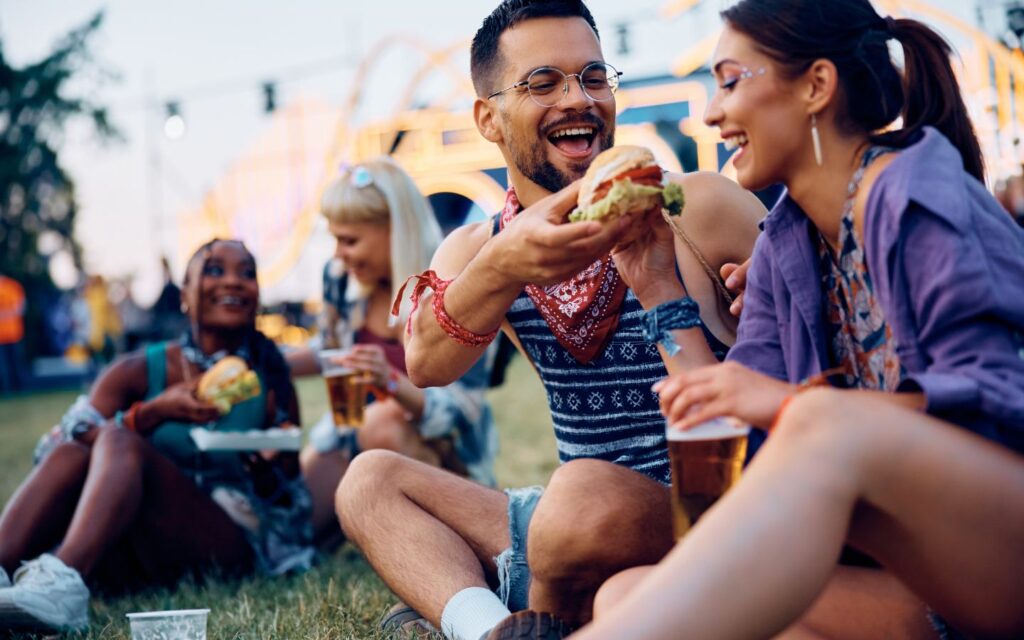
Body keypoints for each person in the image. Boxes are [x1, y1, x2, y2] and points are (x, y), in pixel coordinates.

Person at [572, 1, 1024, 638]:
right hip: (905, 580)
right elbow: (726, 424)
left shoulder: (915, 198)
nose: (710, 112)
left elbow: (1000, 410)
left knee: (815, 421)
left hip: (992, 555)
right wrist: (654, 283)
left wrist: (788, 405)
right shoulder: (789, 241)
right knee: (625, 596)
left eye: (730, 81)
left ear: (816, 86)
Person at [336, 1, 766, 638]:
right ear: (488, 117)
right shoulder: (479, 249)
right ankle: (492, 628)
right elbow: (426, 364)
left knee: (579, 495)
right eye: (544, 83)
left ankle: (523, 599)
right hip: (567, 521)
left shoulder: (695, 204)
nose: (579, 99)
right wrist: (504, 263)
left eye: (594, 78)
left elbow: (822, 308)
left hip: (699, 510)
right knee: (368, 481)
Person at [0, 239, 312, 633]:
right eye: (215, 270)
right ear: (184, 296)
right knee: (95, 444)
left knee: (118, 438)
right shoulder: (137, 369)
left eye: (247, 273)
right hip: (130, 546)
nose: (233, 281)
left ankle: (62, 580)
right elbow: (57, 446)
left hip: (221, 545)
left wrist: (271, 480)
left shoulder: (272, 380)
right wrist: (154, 412)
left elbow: (293, 512)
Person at [286, 158, 499, 546]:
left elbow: (462, 414)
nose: (339, 255)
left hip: (445, 455)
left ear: (395, 231)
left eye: (349, 241)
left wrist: (391, 382)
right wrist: (271, 365)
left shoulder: (455, 285)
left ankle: (443, 537)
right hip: (348, 437)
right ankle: (365, 518)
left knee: (381, 419)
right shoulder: (339, 280)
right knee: (289, 527)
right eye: (335, 239)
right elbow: (331, 351)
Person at [0, 273, 27, 393]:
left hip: (13, 333)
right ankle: (6, 389)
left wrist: (5, 314)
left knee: (16, 362)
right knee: (3, 365)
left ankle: (19, 388)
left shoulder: (12, 286)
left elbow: (20, 307)